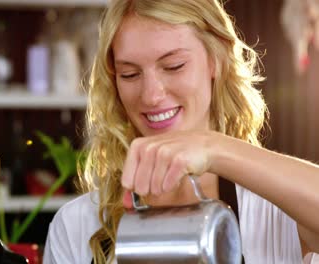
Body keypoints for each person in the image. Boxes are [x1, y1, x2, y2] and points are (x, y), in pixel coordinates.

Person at [43, 0, 319, 263]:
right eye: (129, 74)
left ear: (216, 59)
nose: (151, 95)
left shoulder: (275, 213)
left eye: (173, 66)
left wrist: (213, 147)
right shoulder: (76, 226)